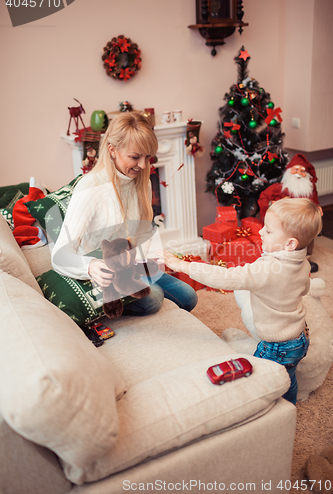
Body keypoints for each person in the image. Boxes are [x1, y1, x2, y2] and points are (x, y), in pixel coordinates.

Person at [160, 198, 323, 404]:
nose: (261, 232)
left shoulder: (266, 269)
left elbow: (225, 277)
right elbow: (305, 289)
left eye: (269, 231)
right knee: (288, 376)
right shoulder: (303, 264)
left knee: (260, 379)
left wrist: (182, 265)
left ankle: (275, 411)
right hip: (299, 337)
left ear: (290, 244)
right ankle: (290, 404)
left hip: (277, 346)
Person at [51, 112, 197, 323]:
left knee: (189, 296)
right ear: (112, 150)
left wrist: (157, 256)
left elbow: (141, 233)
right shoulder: (91, 187)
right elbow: (59, 255)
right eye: (135, 157)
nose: (144, 165)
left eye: (148, 157)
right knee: (153, 298)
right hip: (102, 274)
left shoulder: (142, 182)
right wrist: (90, 267)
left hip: (129, 266)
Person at [258, 154, 323, 272]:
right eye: (296, 169)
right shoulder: (279, 188)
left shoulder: (309, 189)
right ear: (289, 172)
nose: (299, 173)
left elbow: (315, 202)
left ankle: (304, 259)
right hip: (285, 222)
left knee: (307, 236)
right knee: (283, 237)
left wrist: (317, 208)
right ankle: (281, 258)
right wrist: (271, 205)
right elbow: (263, 197)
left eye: (302, 171)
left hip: (302, 222)